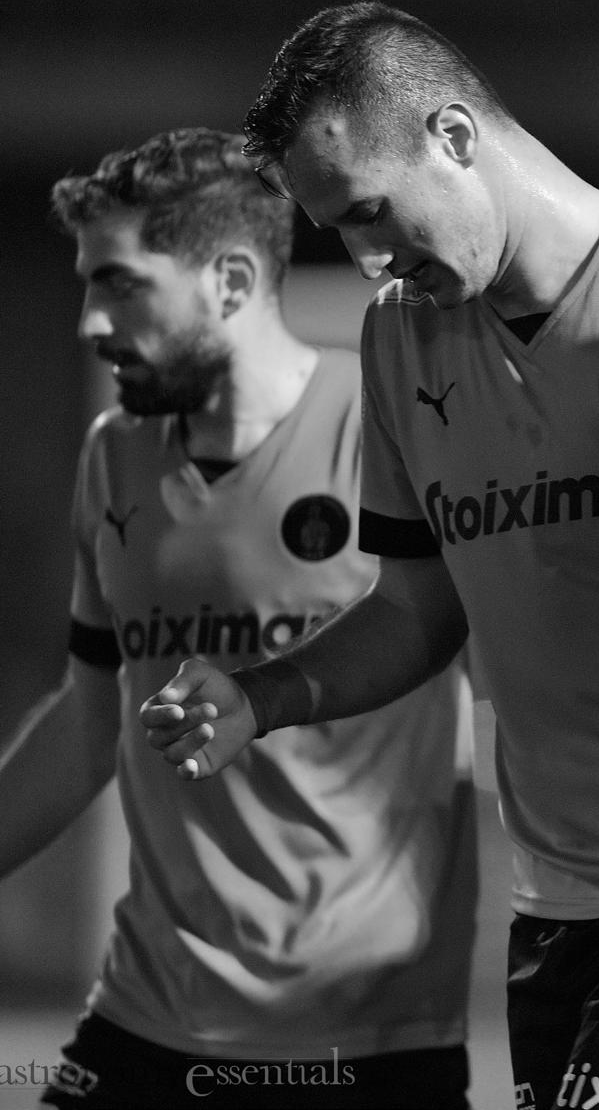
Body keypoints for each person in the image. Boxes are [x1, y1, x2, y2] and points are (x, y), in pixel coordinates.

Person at [140, 5, 599, 1110]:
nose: (368, 258)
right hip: (556, 913)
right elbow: (415, 609)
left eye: (372, 212)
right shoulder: (401, 335)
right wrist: (261, 696)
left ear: (454, 135)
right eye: (340, 231)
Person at [0, 127, 477, 1108]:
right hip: (144, 1012)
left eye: (121, 285)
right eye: (87, 285)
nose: (91, 322)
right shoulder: (114, 455)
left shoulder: (389, 425)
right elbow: (91, 716)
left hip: (362, 1033)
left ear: (229, 280)